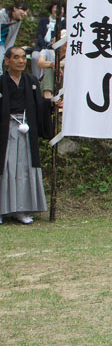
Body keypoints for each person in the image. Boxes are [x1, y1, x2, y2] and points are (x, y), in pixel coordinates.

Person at [0, 46, 53, 225]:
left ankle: (21, 209)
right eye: (16, 57)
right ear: (7, 61)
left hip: (25, 130)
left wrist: (50, 104)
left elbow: (39, 105)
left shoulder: (31, 80)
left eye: (23, 57)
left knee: (24, 169)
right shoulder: (1, 81)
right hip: (5, 131)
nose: (21, 61)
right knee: (5, 168)